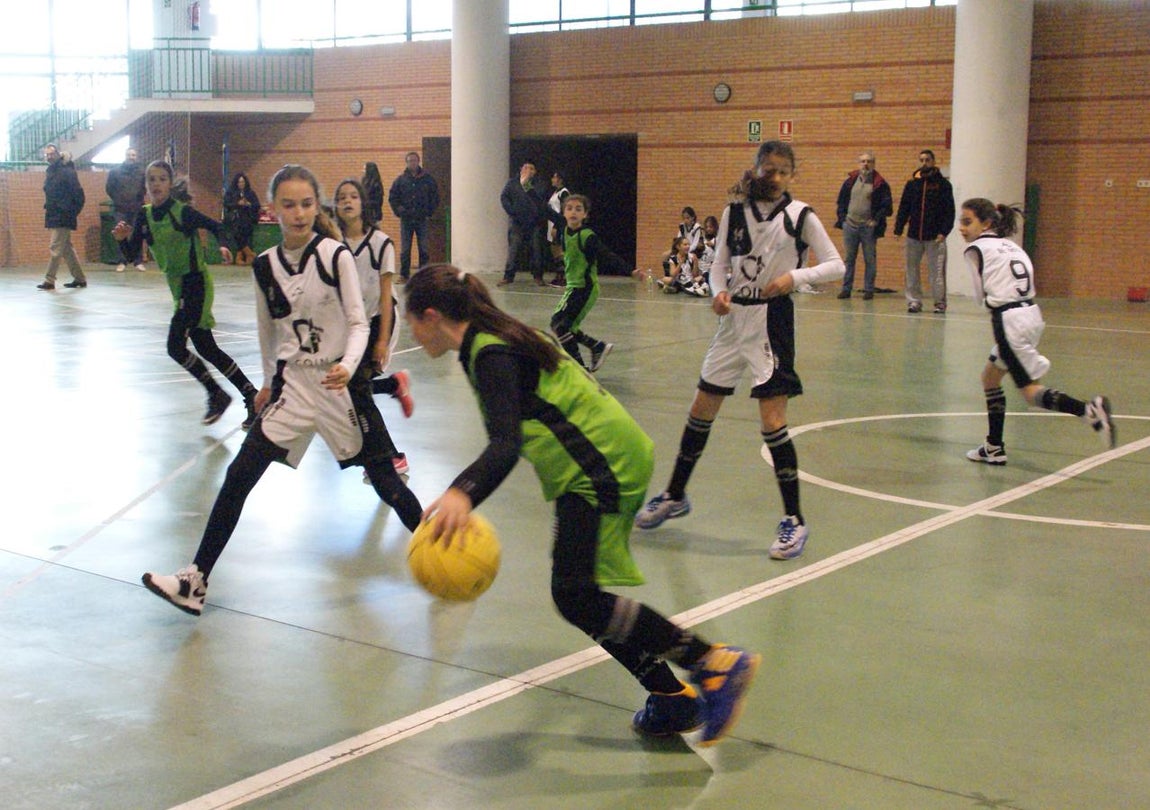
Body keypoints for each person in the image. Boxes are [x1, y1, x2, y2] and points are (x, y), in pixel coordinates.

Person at [403, 264, 761, 746]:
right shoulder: (489, 338)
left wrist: (461, 491)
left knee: (575, 594)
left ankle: (713, 663)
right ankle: (672, 697)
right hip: (599, 460)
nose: (409, 329)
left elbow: (505, 444)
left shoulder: (491, 353)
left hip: (601, 465)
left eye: (410, 319)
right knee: (577, 595)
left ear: (429, 316)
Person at [141, 165, 424, 616]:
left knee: (387, 482)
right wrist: (268, 383)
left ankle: (443, 550)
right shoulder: (264, 266)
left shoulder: (335, 256)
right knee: (238, 477)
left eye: (307, 204)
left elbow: (357, 322)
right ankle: (194, 579)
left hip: (339, 387)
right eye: (288, 205)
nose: (299, 213)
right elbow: (267, 329)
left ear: (317, 206)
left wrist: (350, 366)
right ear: (272, 209)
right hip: (293, 388)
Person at [635, 141, 845, 562]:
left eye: (785, 171)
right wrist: (718, 292)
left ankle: (795, 520)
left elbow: (836, 265)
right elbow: (718, 266)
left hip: (772, 322)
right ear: (756, 169)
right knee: (701, 407)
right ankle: (675, 494)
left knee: (772, 421)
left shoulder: (799, 215)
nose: (777, 177)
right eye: (770, 169)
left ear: (792, 175)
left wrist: (793, 278)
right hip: (734, 322)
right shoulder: (733, 213)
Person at [959, 198, 1115, 465]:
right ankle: (993, 446)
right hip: (1031, 315)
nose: (961, 229)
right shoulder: (1012, 245)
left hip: (1008, 320)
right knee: (990, 378)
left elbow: (979, 295)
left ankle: (1088, 410)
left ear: (985, 223)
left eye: (967, 222)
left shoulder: (976, 249)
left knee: (1030, 393)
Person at [112, 160, 258, 427]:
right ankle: (253, 397)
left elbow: (217, 226)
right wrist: (122, 239)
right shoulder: (144, 215)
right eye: (151, 179)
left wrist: (223, 245)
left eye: (161, 179)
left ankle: (216, 395)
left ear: (169, 184)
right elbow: (133, 255)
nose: (156, 184)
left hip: (196, 284)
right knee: (207, 348)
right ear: (146, 185)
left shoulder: (183, 213)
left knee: (175, 346)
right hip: (178, 287)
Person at [333, 177, 415, 477]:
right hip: (351, 325)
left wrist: (382, 341)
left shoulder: (382, 243)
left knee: (356, 389)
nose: (347, 201)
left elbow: (385, 294)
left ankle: (391, 458)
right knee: (348, 386)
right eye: (341, 196)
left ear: (362, 203)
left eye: (353, 195)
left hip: (380, 319)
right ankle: (393, 385)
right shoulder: (332, 244)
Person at [546, 193, 629, 371]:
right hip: (573, 287)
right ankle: (596, 347)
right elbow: (543, 209)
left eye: (578, 209)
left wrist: (630, 271)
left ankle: (580, 369)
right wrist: (526, 187)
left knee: (562, 327)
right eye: (569, 208)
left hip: (585, 288)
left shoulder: (587, 236)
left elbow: (606, 255)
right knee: (557, 324)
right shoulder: (564, 229)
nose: (573, 212)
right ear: (563, 212)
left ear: (585, 214)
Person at [893, 149, 955, 314]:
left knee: (937, 272)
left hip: (935, 237)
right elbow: (904, 207)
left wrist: (944, 232)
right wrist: (899, 228)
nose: (924, 163)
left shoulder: (943, 185)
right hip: (914, 236)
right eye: (921, 160)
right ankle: (914, 301)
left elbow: (950, 211)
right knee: (911, 270)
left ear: (933, 162)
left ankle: (939, 302)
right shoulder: (912, 185)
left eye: (927, 159)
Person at [834, 151, 893, 300]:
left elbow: (887, 207)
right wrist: (843, 220)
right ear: (858, 163)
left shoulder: (880, 184)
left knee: (870, 259)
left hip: (868, 228)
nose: (866, 164)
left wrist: (876, 220)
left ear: (874, 164)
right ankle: (846, 289)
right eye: (863, 161)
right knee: (849, 259)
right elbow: (841, 202)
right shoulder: (849, 182)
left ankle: (868, 290)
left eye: (869, 161)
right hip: (850, 226)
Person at [36, 144, 87, 291]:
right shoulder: (52, 171)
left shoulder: (67, 172)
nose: (49, 157)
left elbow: (79, 196)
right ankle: (80, 278)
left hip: (63, 216)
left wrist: (70, 212)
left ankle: (49, 280)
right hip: (54, 215)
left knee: (55, 248)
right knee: (66, 249)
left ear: (58, 154)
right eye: (47, 155)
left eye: (51, 154)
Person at [387, 151, 440, 282]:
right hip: (406, 220)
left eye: (415, 160)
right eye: (410, 161)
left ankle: (424, 276)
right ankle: (404, 275)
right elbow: (392, 197)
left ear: (418, 162)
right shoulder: (400, 180)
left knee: (424, 249)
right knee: (405, 250)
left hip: (422, 219)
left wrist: (429, 211)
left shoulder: (428, 179)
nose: (412, 163)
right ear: (407, 163)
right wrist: (399, 211)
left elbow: (435, 197)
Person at [498, 160, 548, 286]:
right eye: (525, 168)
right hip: (517, 223)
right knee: (513, 249)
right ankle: (508, 276)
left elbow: (541, 199)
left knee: (537, 250)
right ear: (521, 170)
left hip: (535, 223)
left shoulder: (540, 184)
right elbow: (504, 197)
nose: (528, 170)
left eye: (531, 168)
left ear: (535, 172)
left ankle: (538, 276)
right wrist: (512, 211)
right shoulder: (511, 183)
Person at [105, 147, 147, 272]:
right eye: (129, 155)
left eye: (133, 155)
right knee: (120, 234)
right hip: (120, 208)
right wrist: (118, 199)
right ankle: (122, 261)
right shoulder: (115, 172)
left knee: (137, 235)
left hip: (137, 208)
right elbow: (109, 188)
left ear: (136, 157)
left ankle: (137, 261)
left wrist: (139, 199)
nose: (131, 157)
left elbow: (145, 188)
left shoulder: (142, 172)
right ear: (125, 156)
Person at [223, 172, 261, 265]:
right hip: (234, 219)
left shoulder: (251, 193)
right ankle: (249, 254)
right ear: (236, 183)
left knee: (244, 233)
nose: (241, 184)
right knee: (237, 233)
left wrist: (249, 204)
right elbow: (226, 204)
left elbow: (257, 205)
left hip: (248, 218)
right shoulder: (230, 192)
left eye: (243, 182)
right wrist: (237, 204)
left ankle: (239, 257)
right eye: (239, 182)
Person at [545, 169, 570, 287]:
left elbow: (563, 210)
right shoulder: (555, 192)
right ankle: (558, 276)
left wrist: (556, 226)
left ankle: (563, 277)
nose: (552, 179)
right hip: (551, 224)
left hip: (558, 225)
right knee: (554, 251)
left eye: (554, 177)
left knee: (559, 251)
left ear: (560, 179)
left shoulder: (564, 193)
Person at [361, 162, 385, 226]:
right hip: (364, 213)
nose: (363, 171)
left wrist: (366, 203)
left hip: (373, 214)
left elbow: (378, 202)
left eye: (364, 169)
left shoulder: (376, 184)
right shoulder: (363, 181)